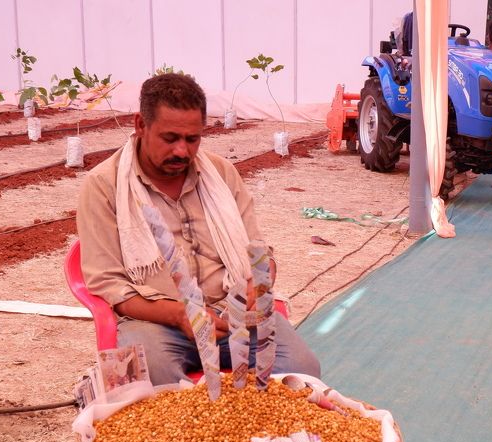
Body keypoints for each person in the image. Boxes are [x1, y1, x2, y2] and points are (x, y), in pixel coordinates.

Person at [77, 73, 321, 385]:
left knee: (302, 369)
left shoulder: (219, 173)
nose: (182, 151)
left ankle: (254, 433)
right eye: (170, 138)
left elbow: (258, 251)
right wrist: (181, 315)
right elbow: (110, 285)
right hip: (157, 320)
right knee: (154, 383)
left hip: (232, 314)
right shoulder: (103, 186)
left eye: (192, 139)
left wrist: (259, 282)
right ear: (140, 125)